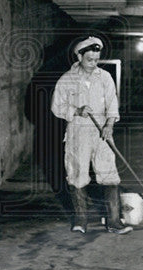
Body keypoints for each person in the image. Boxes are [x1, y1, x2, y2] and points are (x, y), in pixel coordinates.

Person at [50, 36, 132, 235]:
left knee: (110, 174)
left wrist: (109, 125)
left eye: (96, 60)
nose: (93, 64)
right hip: (78, 131)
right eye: (89, 60)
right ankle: (81, 221)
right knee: (77, 175)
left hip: (102, 131)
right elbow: (56, 107)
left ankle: (114, 222)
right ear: (79, 56)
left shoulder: (104, 77)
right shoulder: (67, 80)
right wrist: (76, 111)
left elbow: (113, 104)